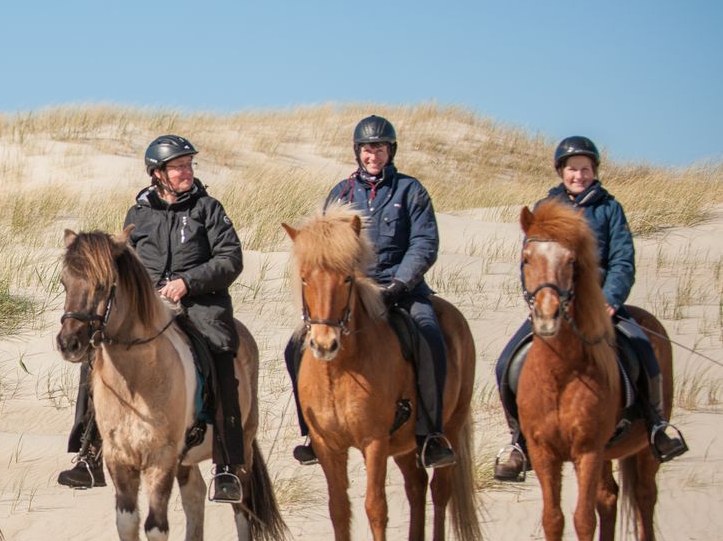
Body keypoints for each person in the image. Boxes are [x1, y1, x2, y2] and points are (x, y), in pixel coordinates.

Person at [58, 135, 246, 504]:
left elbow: (231, 258)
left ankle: (227, 463)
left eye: (188, 166)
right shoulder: (137, 215)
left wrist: (186, 283)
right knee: (94, 357)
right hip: (148, 308)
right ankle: (89, 452)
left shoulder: (208, 209)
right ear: (157, 173)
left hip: (198, 307)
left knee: (221, 355)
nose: (186, 172)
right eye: (178, 167)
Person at [491, 136, 689, 480]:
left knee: (643, 350)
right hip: (553, 306)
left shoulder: (609, 208)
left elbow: (623, 260)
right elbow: (530, 260)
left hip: (600, 306)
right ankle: (518, 441)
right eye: (572, 169)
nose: (578, 175)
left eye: (585, 169)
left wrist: (610, 299)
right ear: (561, 172)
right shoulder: (546, 208)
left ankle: (656, 425)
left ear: (594, 172)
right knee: (506, 362)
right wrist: (536, 297)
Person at [284, 115, 456, 470]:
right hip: (352, 294)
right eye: (366, 148)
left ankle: (430, 434)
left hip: (402, 291)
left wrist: (399, 284)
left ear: (390, 151)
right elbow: (324, 247)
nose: (372, 154)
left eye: (379, 147)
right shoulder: (341, 193)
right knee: (294, 347)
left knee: (429, 336)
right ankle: (312, 434)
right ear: (357, 152)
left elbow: (424, 243)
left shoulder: (411, 191)